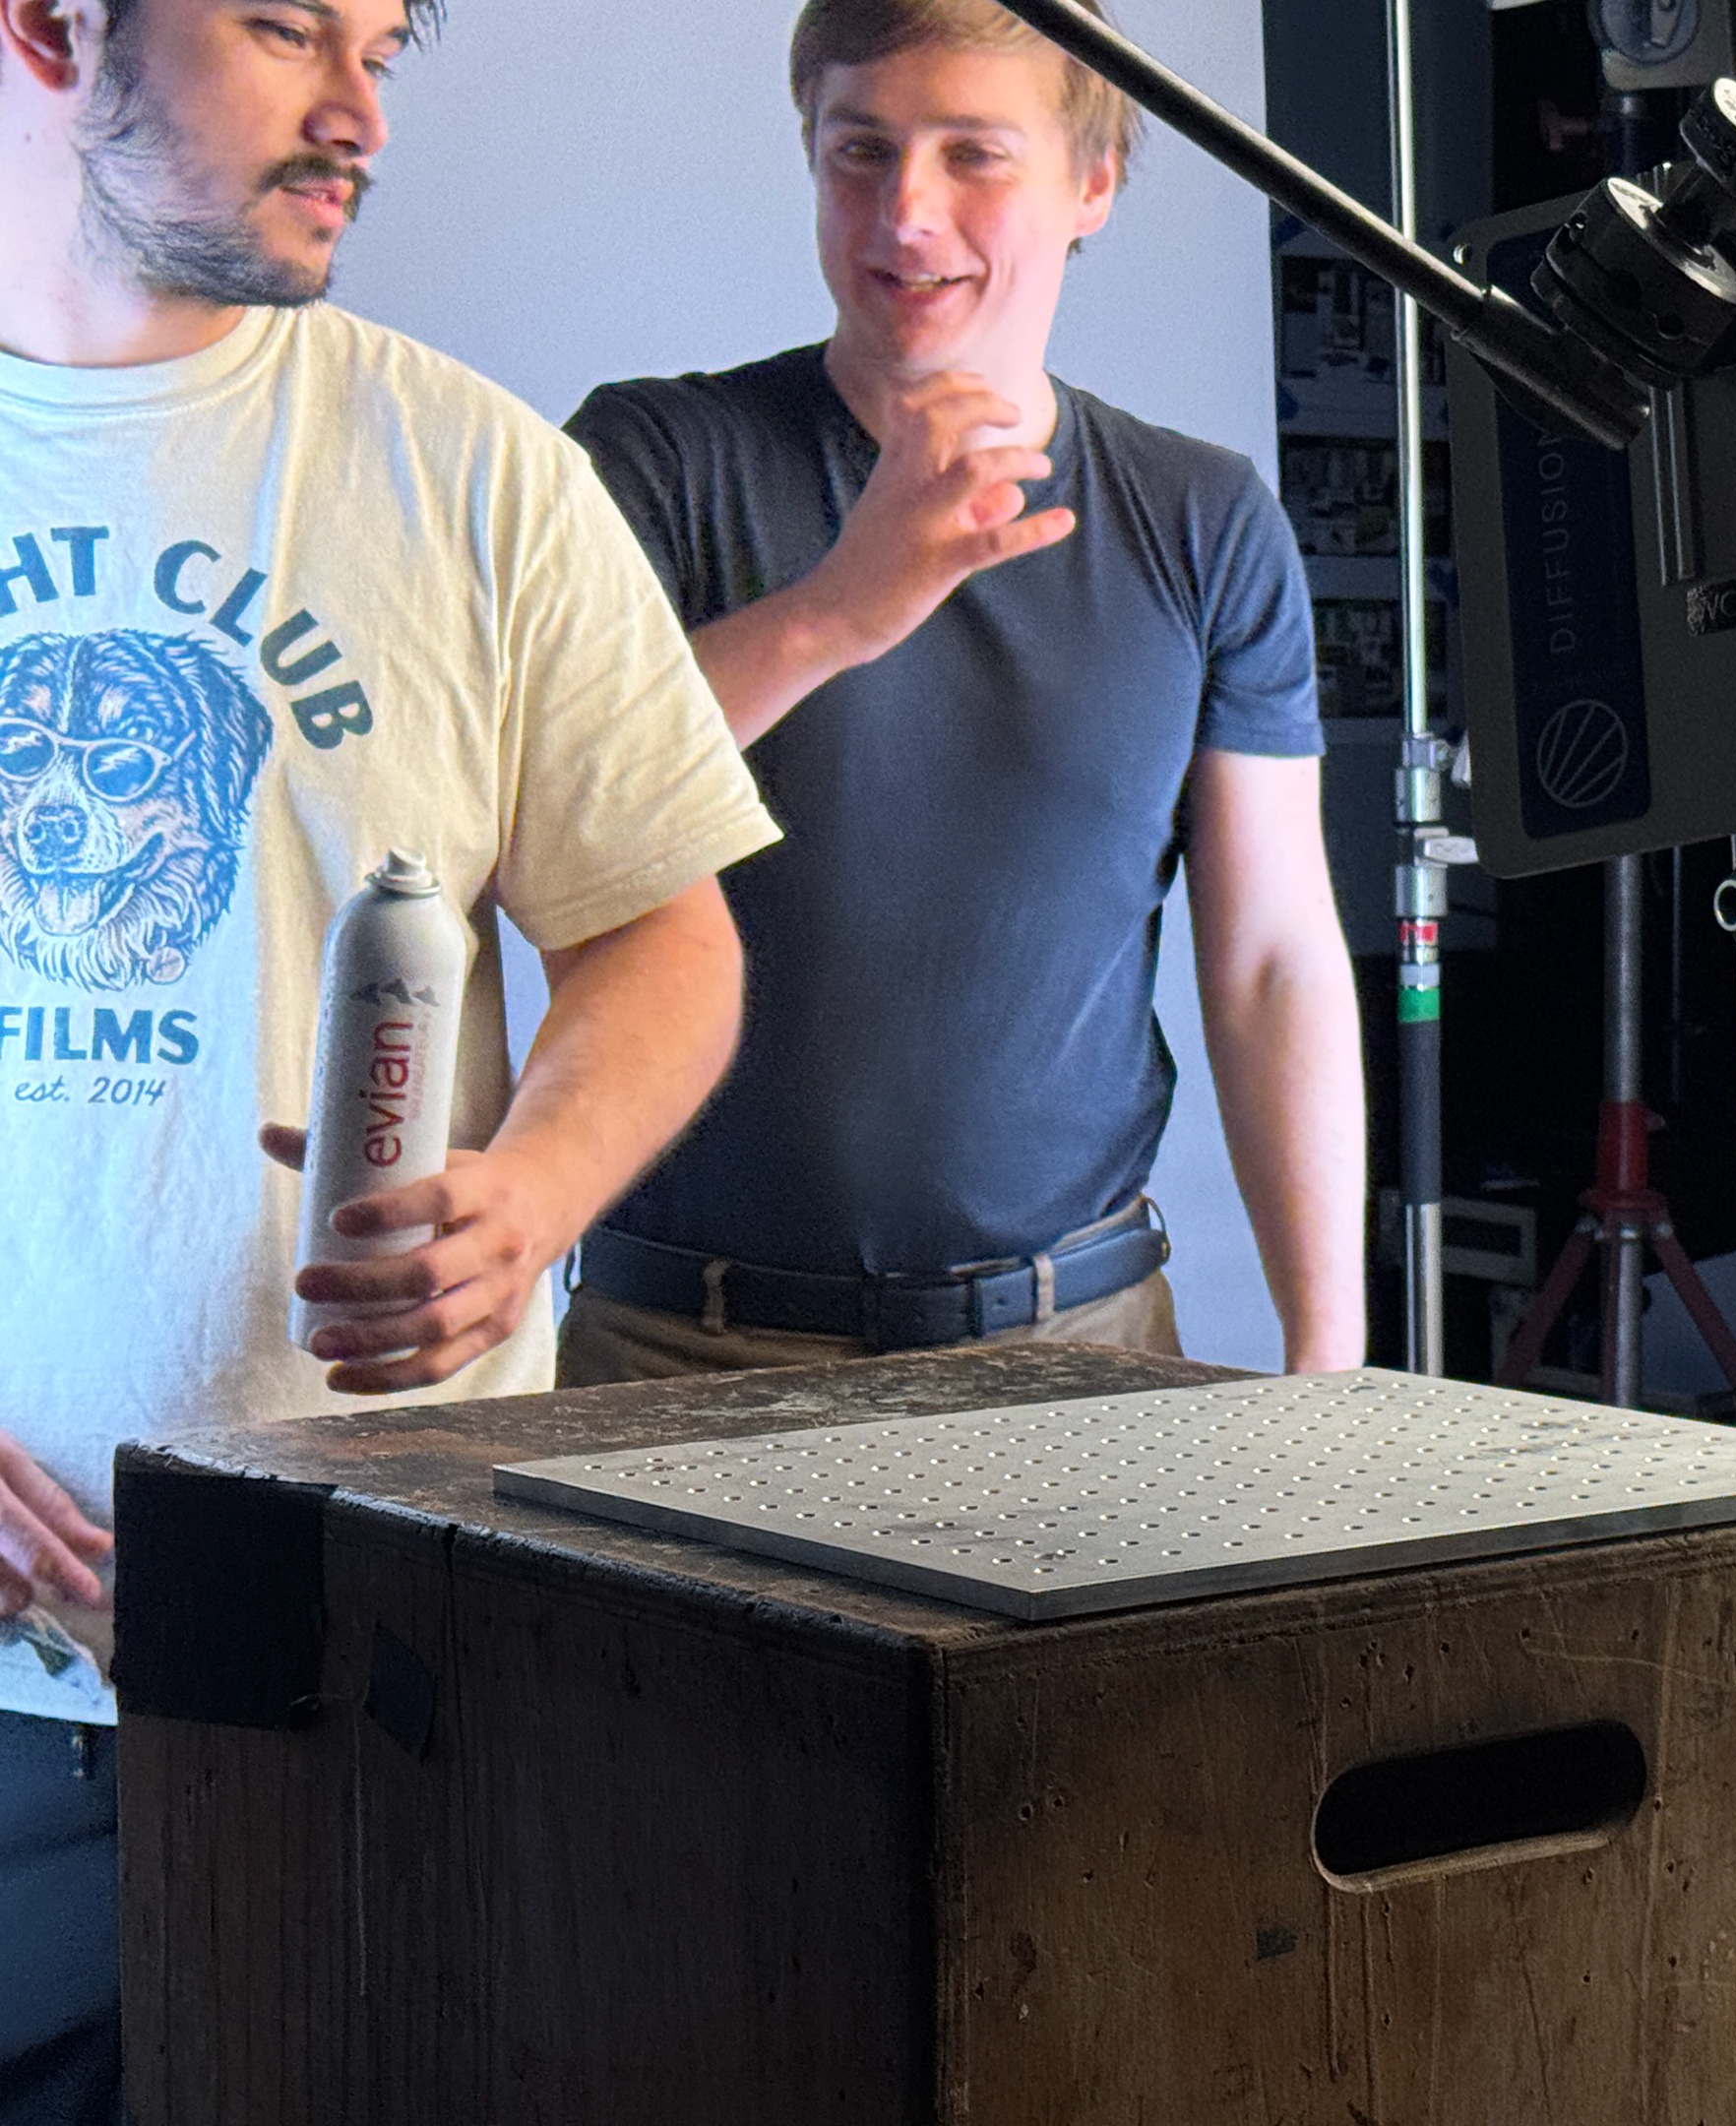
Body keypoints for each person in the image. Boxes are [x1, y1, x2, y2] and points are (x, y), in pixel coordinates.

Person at [0, 0, 779, 2112]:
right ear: (53, 25)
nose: (357, 111)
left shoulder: (476, 473)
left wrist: (530, 1197)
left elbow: (663, 931)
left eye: (387, 45)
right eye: (286, 26)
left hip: (384, 1655)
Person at [550, 0, 1365, 1385]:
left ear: (1092, 183)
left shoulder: (1204, 519)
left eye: (972, 154)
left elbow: (1272, 959)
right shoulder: (654, 457)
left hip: (1081, 1349)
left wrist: (1329, 1356)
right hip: (679, 1346)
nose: (905, 214)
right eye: (859, 151)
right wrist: (834, 612)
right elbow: (545, 807)